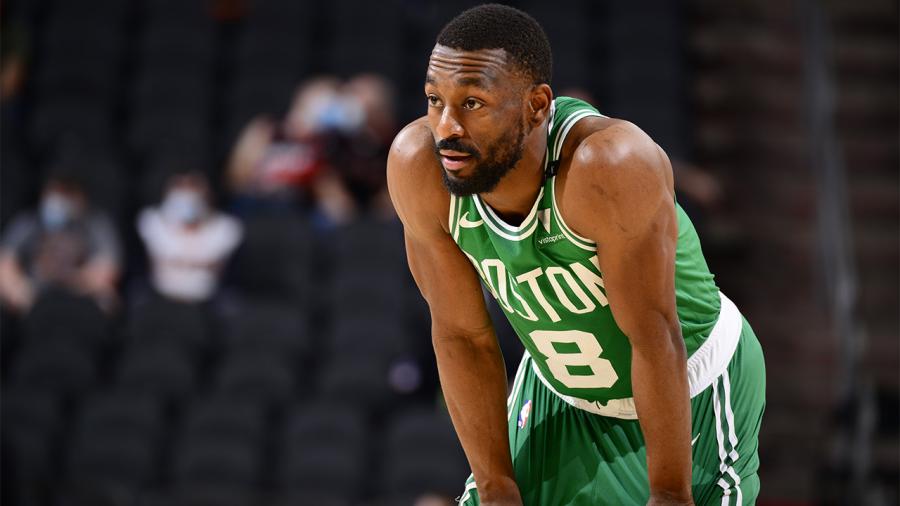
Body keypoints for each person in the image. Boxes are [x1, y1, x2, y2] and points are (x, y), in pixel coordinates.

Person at [386, 5, 765, 506]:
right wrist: (496, 487)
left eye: (473, 103)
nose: (446, 127)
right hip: (560, 385)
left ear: (537, 106)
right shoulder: (419, 167)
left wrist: (670, 494)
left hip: (688, 380)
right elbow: (461, 336)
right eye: (435, 100)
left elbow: (654, 336)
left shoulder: (608, 166)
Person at [0, 167, 121, 314]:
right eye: (55, 192)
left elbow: (107, 270)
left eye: (66, 193)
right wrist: (21, 290)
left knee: (107, 299)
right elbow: (5, 263)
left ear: (80, 196)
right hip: (35, 294)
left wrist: (68, 281)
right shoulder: (30, 221)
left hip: (79, 292)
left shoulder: (95, 223)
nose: (59, 200)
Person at [137, 170, 243, 304]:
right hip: (160, 299)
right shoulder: (151, 221)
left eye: (193, 185)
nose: (186, 196)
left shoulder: (227, 228)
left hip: (206, 302)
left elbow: (214, 263)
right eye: (180, 186)